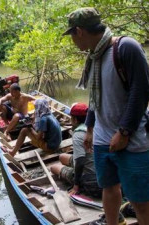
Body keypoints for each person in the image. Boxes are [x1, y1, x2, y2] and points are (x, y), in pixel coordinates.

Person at [63, 7, 149, 225]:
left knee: (140, 201)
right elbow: (94, 97)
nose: (72, 41)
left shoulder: (126, 48)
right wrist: (90, 128)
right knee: (108, 189)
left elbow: (141, 92)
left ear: (79, 31)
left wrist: (124, 132)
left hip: (132, 140)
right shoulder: (94, 57)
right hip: (102, 138)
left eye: (71, 35)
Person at [51, 103, 101, 197]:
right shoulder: (96, 127)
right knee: (62, 157)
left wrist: (76, 185)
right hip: (97, 169)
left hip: (89, 179)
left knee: (54, 167)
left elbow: (80, 162)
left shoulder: (78, 135)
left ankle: (75, 179)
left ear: (75, 119)